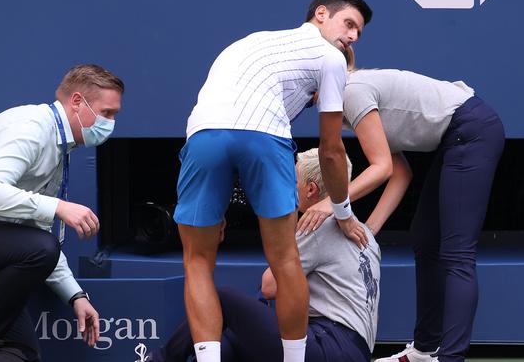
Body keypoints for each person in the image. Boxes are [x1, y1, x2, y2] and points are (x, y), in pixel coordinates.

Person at [172, 0, 373, 362]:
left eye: (358, 31)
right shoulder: (331, 59)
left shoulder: (246, 43)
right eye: (349, 23)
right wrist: (342, 212)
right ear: (321, 14)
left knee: (197, 261)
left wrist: (217, 206)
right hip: (265, 139)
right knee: (285, 259)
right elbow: (330, 151)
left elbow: (228, 132)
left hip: (202, 137)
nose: (354, 35)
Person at [297, 47, 505, 362]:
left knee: (457, 253)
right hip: (458, 136)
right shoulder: (347, 99)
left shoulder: (352, 92)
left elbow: (382, 169)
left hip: (472, 131)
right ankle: (424, 350)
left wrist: (332, 205)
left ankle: (450, 358)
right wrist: (367, 231)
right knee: (425, 236)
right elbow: (401, 172)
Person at [0, 64, 125, 360]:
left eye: (114, 115)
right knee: (40, 249)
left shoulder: (59, 146)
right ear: (77, 102)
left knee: (21, 353)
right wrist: (59, 207)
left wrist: (75, 295)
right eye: (106, 113)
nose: (110, 123)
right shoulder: (31, 127)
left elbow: (33, 235)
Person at [143, 148, 380, 362]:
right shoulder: (365, 234)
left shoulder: (317, 225)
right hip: (351, 350)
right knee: (225, 344)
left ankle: (157, 360)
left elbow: (269, 286)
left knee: (222, 299)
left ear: (311, 189)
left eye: (292, 179)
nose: (288, 185)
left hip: (328, 343)